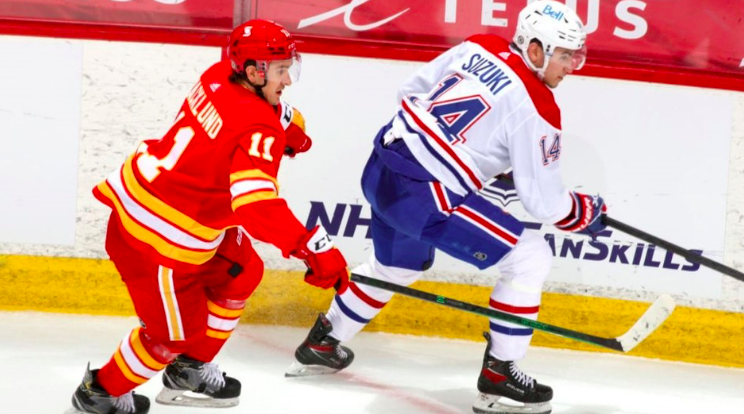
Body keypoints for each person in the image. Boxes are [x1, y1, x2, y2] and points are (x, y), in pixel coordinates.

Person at [286, 2, 606, 414]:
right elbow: (543, 202)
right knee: (530, 258)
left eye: (574, 56)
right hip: (423, 194)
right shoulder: (538, 105)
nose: (570, 66)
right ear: (536, 49)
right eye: (564, 55)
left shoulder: (480, 46)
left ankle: (322, 343)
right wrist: (582, 211)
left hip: (382, 166)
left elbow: (411, 93)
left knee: (395, 267)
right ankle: (500, 374)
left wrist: (473, 156)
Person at [65, 19, 349, 414]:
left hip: (162, 207)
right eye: (282, 70)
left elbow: (255, 114)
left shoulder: (218, 75)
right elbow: (256, 207)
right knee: (169, 337)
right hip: (159, 242)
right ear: (254, 72)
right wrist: (314, 247)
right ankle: (101, 393)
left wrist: (287, 126)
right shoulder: (258, 127)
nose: (288, 80)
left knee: (244, 269)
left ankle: (191, 370)